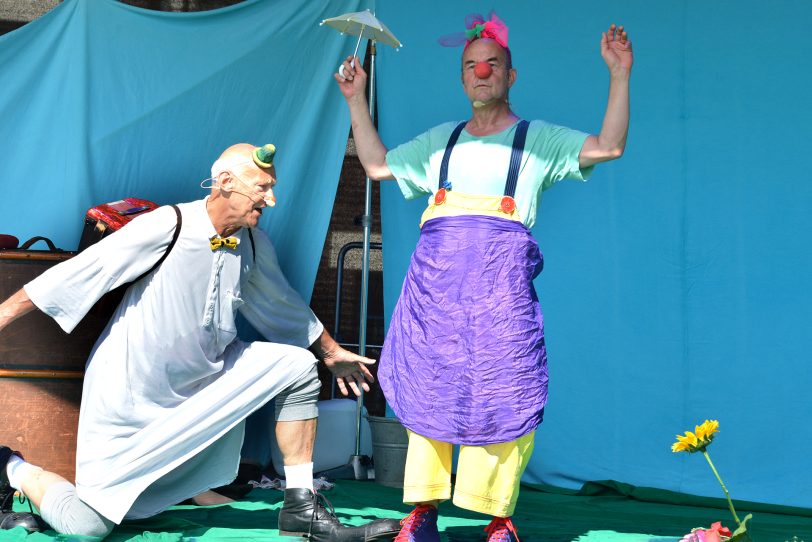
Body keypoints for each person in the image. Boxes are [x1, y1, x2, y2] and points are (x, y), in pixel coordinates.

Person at [0, 143, 401, 541]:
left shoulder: (256, 246)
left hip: (201, 386)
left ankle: (301, 508)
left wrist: (330, 353)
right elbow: (81, 272)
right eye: (262, 187)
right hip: (127, 399)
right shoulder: (168, 224)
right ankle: (13, 467)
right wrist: (2, 314)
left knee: (297, 365)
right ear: (225, 182)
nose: (272, 199)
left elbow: (285, 307)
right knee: (88, 527)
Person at [335, 11, 633, 542]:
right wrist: (356, 98)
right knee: (431, 388)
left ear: (510, 76)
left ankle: (498, 519)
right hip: (437, 294)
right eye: (471, 65)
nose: (481, 73)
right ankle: (422, 513)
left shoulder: (536, 140)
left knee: (504, 389)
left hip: (500, 291)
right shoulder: (440, 142)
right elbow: (378, 165)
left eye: (492, 64)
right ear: (462, 77)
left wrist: (619, 74)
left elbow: (608, 146)